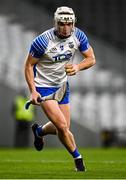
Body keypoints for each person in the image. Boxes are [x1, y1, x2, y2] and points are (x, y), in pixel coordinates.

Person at [24, 6, 96, 171]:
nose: (65, 28)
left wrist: (78, 67)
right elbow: (28, 66)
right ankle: (78, 160)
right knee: (63, 127)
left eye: (69, 23)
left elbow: (91, 58)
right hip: (44, 87)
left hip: (62, 85)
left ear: (73, 23)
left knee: (62, 129)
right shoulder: (42, 41)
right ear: (56, 23)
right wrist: (33, 90)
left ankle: (40, 131)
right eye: (62, 24)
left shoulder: (78, 35)